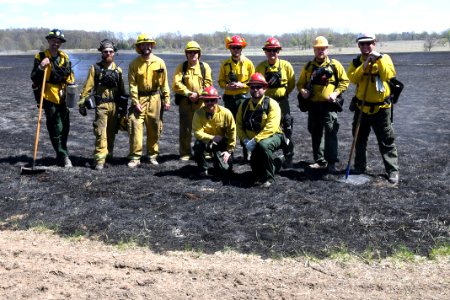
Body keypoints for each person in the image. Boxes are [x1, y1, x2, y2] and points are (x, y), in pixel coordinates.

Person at [347, 33, 399, 184]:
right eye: (362, 44)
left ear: (374, 43)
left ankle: (392, 170)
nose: (366, 46)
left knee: (386, 140)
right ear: (358, 45)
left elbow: (388, 75)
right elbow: (353, 78)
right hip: (361, 108)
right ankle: (359, 167)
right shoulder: (356, 61)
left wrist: (379, 60)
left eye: (369, 43)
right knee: (359, 139)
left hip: (381, 109)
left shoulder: (385, 58)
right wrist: (365, 65)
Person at [297, 36, 349, 173]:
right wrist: (303, 92)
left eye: (323, 48)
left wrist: (336, 93)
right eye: (318, 49)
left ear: (327, 49)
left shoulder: (335, 65)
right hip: (313, 105)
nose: (320, 51)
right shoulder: (308, 66)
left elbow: (344, 82)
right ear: (314, 50)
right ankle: (320, 161)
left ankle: (331, 161)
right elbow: (300, 83)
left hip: (329, 105)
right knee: (315, 132)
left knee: (331, 132)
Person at [78, 39, 127, 170]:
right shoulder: (95, 69)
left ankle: (108, 155)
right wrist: (82, 103)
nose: (108, 54)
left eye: (111, 51)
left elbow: (122, 90)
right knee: (101, 133)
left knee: (111, 133)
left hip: (115, 106)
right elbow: (87, 87)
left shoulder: (118, 70)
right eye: (106, 52)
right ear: (101, 53)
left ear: (114, 53)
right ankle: (100, 159)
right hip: (101, 106)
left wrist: (124, 108)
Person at [30, 29, 75, 168]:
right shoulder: (41, 56)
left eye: (58, 41)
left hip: (63, 96)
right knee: (56, 127)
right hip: (48, 95)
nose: (55, 43)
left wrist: (71, 84)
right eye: (53, 40)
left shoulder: (65, 58)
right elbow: (34, 77)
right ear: (49, 41)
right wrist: (41, 66)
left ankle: (60, 153)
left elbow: (70, 75)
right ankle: (63, 155)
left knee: (65, 127)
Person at [127, 33, 170, 168]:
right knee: (135, 126)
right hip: (139, 98)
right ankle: (135, 157)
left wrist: (166, 99)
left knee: (155, 127)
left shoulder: (160, 62)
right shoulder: (134, 64)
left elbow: (164, 83)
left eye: (148, 44)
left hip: (155, 99)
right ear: (139, 47)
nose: (146, 47)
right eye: (143, 45)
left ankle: (152, 155)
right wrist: (135, 102)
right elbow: (132, 85)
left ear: (152, 46)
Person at [236, 73, 285, 187]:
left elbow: (271, 127)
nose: (255, 89)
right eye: (252, 87)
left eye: (259, 87)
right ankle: (277, 162)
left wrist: (254, 140)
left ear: (265, 88)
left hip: (273, 137)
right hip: (253, 141)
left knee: (263, 145)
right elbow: (239, 125)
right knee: (256, 173)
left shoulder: (272, 104)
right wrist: (245, 140)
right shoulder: (244, 105)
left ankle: (269, 179)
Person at [255, 37, 296, 167]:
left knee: (287, 128)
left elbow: (291, 83)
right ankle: (266, 156)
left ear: (279, 51)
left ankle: (288, 156)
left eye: (275, 50)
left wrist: (283, 94)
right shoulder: (261, 67)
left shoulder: (286, 66)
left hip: (283, 102)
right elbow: (257, 84)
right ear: (265, 52)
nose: (272, 53)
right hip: (266, 103)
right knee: (265, 127)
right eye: (269, 50)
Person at [172, 41, 213, 161]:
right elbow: (176, 83)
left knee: (205, 127)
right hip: (185, 103)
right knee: (185, 128)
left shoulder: (205, 67)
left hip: (201, 103)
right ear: (186, 54)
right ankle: (185, 153)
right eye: (190, 52)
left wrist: (198, 94)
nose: (193, 54)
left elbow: (208, 83)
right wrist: (188, 93)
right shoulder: (182, 67)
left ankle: (205, 152)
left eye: (195, 52)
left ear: (199, 53)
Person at [218, 35, 255, 161]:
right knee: (230, 125)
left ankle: (247, 153)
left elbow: (253, 82)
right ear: (230, 49)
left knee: (245, 125)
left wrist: (242, 85)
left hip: (243, 99)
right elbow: (220, 81)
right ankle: (230, 153)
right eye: (233, 47)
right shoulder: (225, 64)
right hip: (229, 99)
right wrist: (227, 86)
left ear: (242, 48)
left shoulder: (249, 63)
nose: (236, 50)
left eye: (238, 47)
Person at [192, 86, 236, 177]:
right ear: (203, 101)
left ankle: (219, 161)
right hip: (207, 142)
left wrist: (229, 151)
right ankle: (203, 169)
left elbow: (232, 132)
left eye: (212, 100)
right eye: (206, 101)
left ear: (217, 100)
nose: (209, 103)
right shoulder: (198, 114)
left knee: (225, 170)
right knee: (197, 145)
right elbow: (197, 132)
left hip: (221, 143)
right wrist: (212, 138)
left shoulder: (226, 113)